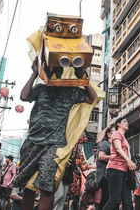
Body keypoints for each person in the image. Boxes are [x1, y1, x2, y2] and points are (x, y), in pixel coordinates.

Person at [14, 56, 98, 210]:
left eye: (58, 71)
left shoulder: (70, 91)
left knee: (47, 186)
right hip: (33, 141)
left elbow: (93, 98)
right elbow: (24, 96)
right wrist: (33, 73)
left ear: (62, 73)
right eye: (51, 71)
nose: (54, 73)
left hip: (54, 145)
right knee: (28, 185)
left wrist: (83, 76)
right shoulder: (40, 88)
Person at [103, 117, 136, 210]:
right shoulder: (116, 133)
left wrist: (130, 164)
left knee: (128, 201)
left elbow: (128, 152)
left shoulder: (124, 138)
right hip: (115, 169)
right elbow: (118, 148)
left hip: (124, 170)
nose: (127, 123)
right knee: (115, 199)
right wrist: (129, 161)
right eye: (124, 121)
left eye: (127, 121)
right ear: (118, 124)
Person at [96, 126, 113, 210]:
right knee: (107, 198)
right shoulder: (105, 143)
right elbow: (101, 156)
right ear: (109, 134)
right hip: (104, 176)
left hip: (107, 176)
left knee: (108, 198)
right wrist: (113, 157)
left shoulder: (110, 144)